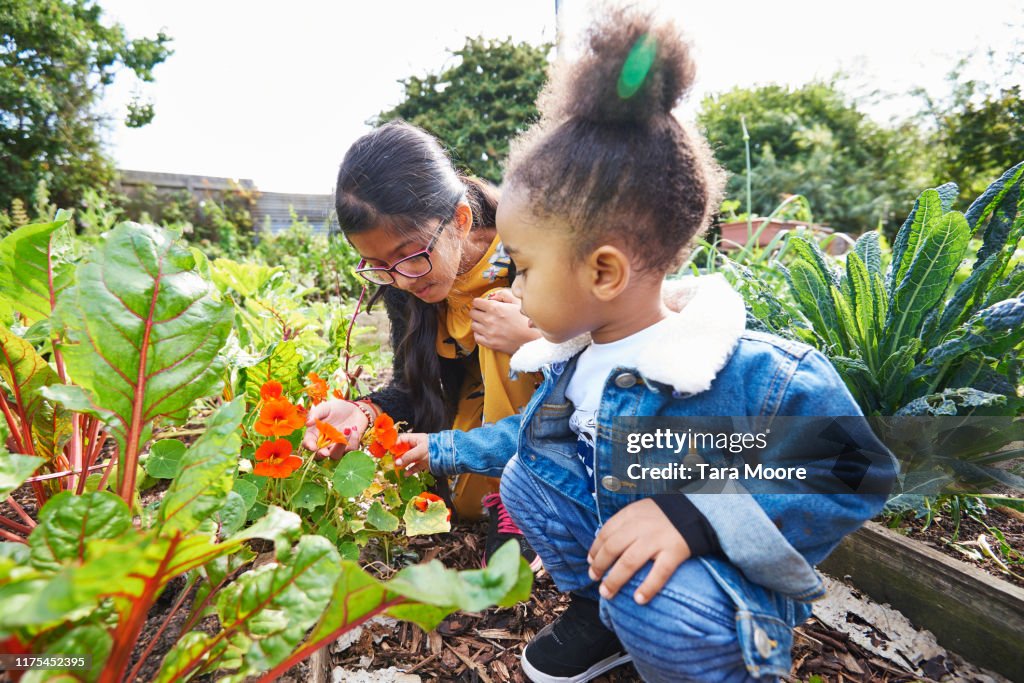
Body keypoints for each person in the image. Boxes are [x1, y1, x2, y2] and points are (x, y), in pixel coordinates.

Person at [391, 7, 897, 683]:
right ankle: (605, 619)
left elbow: (852, 466)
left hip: (714, 592)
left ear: (603, 271)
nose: (514, 284)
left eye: (526, 267)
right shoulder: (582, 357)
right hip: (634, 554)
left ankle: (701, 662)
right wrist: (440, 447)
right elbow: (525, 437)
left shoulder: (745, 372)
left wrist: (694, 515)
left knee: (658, 601)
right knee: (530, 476)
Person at [303, 120, 544, 570]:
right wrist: (363, 410)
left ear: (460, 218)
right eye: (377, 265)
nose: (398, 279)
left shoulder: (534, 246)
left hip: (559, 418)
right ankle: (504, 489)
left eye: (409, 255)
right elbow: (416, 387)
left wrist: (537, 339)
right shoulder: (404, 281)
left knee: (498, 310)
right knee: (464, 500)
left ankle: (527, 492)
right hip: (485, 420)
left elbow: (615, 348)